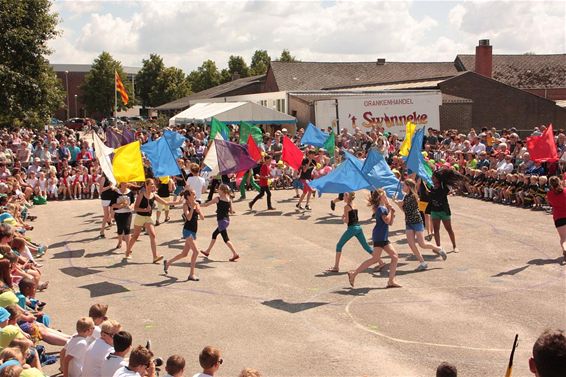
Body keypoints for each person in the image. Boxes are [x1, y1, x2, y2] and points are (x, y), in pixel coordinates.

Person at [348, 189, 400, 288]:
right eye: (384, 196)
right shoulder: (381, 209)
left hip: (382, 235)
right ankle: (353, 273)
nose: (386, 198)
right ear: (380, 197)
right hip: (380, 236)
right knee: (376, 259)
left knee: (394, 257)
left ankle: (391, 281)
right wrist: (390, 211)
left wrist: (391, 212)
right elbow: (387, 221)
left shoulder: (382, 208)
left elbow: (390, 222)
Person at [394, 178, 447, 271]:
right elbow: (405, 211)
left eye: (404, 185)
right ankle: (422, 262)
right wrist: (398, 204)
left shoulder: (413, 196)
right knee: (411, 244)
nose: (402, 187)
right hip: (409, 222)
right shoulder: (406, 196)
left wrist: (397, 203)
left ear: (409, 186)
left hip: (417, 222)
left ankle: (439, 249)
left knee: (422, 244)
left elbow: (403, 205)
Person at [125, 179, 180, 263]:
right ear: (146, 185)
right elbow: (135, 208)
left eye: (153, 184)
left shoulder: (154, 195)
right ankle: (128, 251)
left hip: (148, 218)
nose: (153, 186)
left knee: (153, 235)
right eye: (151, 184)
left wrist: (178, 202)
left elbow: (165, 203)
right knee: (135, 236)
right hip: (140, 217)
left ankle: (155, 256)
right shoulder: (141, 194)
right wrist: (145, 210)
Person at [164, 189, 204, 281]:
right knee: (196, 252)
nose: (195, 196)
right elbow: (188, 218)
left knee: (184, 254)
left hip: (194, 231)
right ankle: (191, 274)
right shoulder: (185, 205)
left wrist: (199, 211)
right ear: (188, 196)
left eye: (194, 194)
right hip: (187, 230)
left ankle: (168, 263)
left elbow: (202, 218)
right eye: (193, 194)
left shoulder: (196, 204)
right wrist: (193, 209)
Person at [327, 192, 373, 273]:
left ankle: (336, 267)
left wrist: (343, 218)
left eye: (344, 196)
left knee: (339, 245)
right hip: (358, 228)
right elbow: (354, 217)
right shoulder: (354, 205)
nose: (342, 197)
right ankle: (380, 262)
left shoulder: (346, 207)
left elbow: (347, 221)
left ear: (347, 197)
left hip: (352, 228)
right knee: (366, 247)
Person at [200, 184, 239, 262]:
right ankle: (207, 251)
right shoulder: (229, 198)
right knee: (214, 234)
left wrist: (198, 205)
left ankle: (235, 254)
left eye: (219, 189)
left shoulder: (218, 199)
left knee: (226, 239)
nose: (217, 190)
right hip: (226, 220)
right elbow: (231, 212)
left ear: (222, 191)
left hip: (221, 221)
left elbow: (206, 205)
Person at [429, 169, 465, 252]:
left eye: (434, 178)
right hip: (434, 210)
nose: (432, 179)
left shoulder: (444, 186)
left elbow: (440, 195)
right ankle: (438, 247)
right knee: (436, 229)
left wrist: (431, 192)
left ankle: (454, 246)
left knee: (449, 229)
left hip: (444, 211)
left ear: (438, 178)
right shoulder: (431, 186)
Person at [110, 183, 135, 251]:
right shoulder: (116, 192)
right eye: (123, 182)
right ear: (120, 183)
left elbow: (133, 202)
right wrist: (122, 205)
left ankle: (128, 248)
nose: (125, 184)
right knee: (120, 229)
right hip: (118, 214)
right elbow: (113, 205)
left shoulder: (130, 192)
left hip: (128, 213)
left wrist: (131, 206)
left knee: (127, 229)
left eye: (126, 182)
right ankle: (120, 241)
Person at [546, 176, 566, 258]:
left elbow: (550, 203)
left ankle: (565, 248)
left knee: (563, 238)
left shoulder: (549, 194)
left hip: (558, 217)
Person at [98, 174, 114, 238]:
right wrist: (109, 186)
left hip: (112, 196)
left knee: (113, 213)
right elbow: (100, 190)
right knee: (106, 215)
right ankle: (102, 231)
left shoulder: (112, 176)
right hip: (105, 197)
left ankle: (109, 220)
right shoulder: (104, 178)